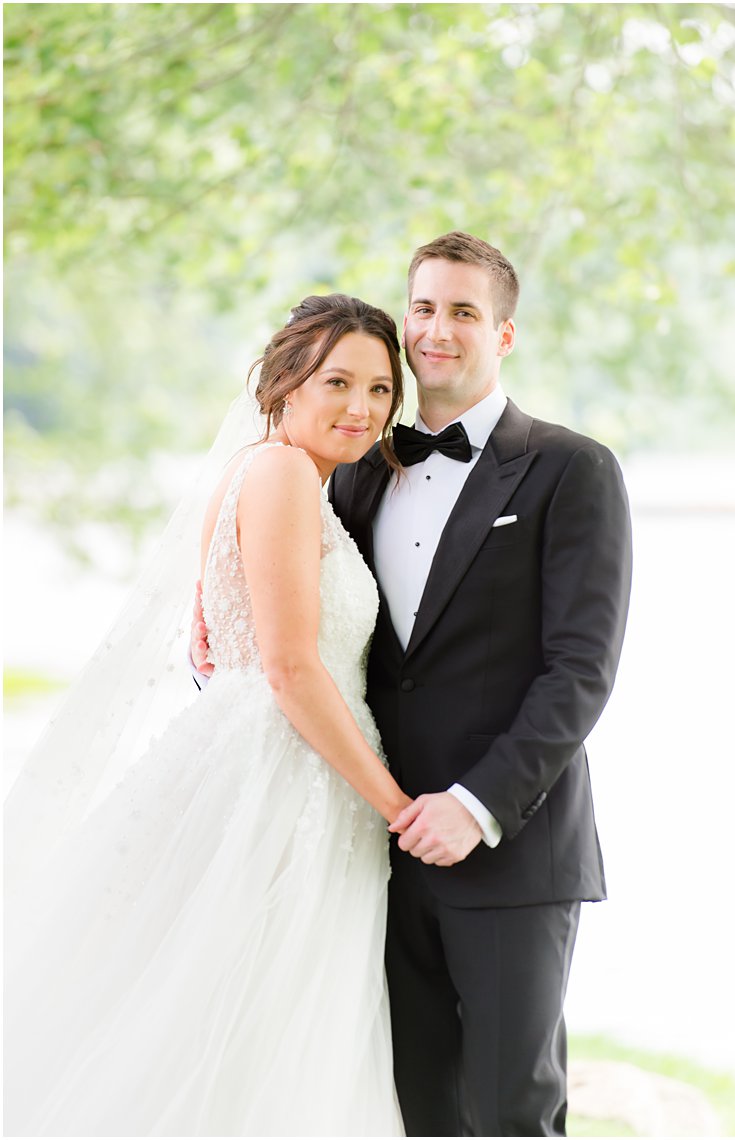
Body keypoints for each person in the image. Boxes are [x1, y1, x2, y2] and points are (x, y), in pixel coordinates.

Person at [198, 232, 634, 1136]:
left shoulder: (571, 469)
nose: (438, 330)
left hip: (507, 852)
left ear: (503, 334)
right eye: (425, 308)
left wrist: (474, 805)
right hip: (364, 848)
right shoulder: (353, 468)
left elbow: (580, 673)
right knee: (407, 1109)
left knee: (513, 1111)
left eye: (465, 312)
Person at [5, 295, 411, 1134]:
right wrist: (398, 808)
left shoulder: (263, 473)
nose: (361, 408)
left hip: (275, 764)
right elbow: (292, 668)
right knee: (247, 1023)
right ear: (286, 382)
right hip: (285, 779)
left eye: (379, 389)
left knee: (245, 1021)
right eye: (338, 381)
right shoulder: (280, 474)